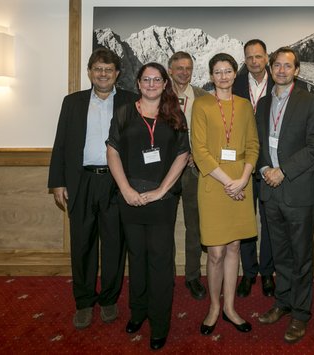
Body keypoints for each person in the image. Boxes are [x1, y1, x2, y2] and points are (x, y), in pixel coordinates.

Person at [48, 47, 137, 330]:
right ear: (89, 72)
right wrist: (58, 182)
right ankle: (84, 302)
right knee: (82, 243)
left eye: (108, 70)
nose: (103, 74)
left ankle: (109, 299)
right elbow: (61, 143)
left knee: (114, 243)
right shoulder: (72, 102)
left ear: (117, 74)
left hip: (115, 182)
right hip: (81, 181)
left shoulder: (130, 102)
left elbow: (136, 145)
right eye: (98, 69)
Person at [106, 62, 189, 351]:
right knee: (136, 257)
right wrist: (125, 190)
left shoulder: (174, 114)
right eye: (146, 79)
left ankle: (159, 322)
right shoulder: (125, 112)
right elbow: (112, 151)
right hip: (130, 198)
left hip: (162, 200)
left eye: (157, 79)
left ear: (165, 84)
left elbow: (182, 154)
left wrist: (161, 190)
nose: (151, 84)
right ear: (138, 83)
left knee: (160, 262)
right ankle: (138, 311)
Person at [255, 47, 314, 344]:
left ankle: (300, 314)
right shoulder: (263, 103)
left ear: (296, 70)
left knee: (301, 257)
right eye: (277, 66)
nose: (281, 70)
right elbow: (255, 142)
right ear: (270, 70)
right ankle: (283, 303)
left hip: (296, 189)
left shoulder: (310, 102)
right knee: (279, 255)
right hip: (269, 191)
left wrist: (283, 170)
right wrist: (265, 169)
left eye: (288, 66)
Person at [191, 53, 259, 335]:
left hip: (241, 184)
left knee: (234, 248)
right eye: (217, 72)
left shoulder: (244, 106)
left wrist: (242, 179)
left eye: (228, 71)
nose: (223, 76)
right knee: (216, 252)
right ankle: (213, 307)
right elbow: (200, 152)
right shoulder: (201, 104)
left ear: (234, 74)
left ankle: (230, 308)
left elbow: (253, 145)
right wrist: (228, 182)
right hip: (213, 185)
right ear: (210, 76)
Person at [232, 39, 276, 298]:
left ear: (267, 57)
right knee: (245, 221)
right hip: (243, 165)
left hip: (271, 166)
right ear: (244, 59)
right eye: (249, 57)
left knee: (269, 221)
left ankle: (267, 273)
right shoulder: (235, 85)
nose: (254, 61)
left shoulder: (281, 83)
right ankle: (249, 273)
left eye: (258, 56)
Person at [167, 51, 209, 300]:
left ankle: (193, 276)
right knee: (164, 227)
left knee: (195, 227)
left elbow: (210, 134)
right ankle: (167, 275)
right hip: (165, 173)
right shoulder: (158, 94)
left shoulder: (204, 97)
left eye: (188, 68)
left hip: (194, 171)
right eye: (179, 68)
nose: (184, 72)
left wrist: (198, 155)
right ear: (170, 70)